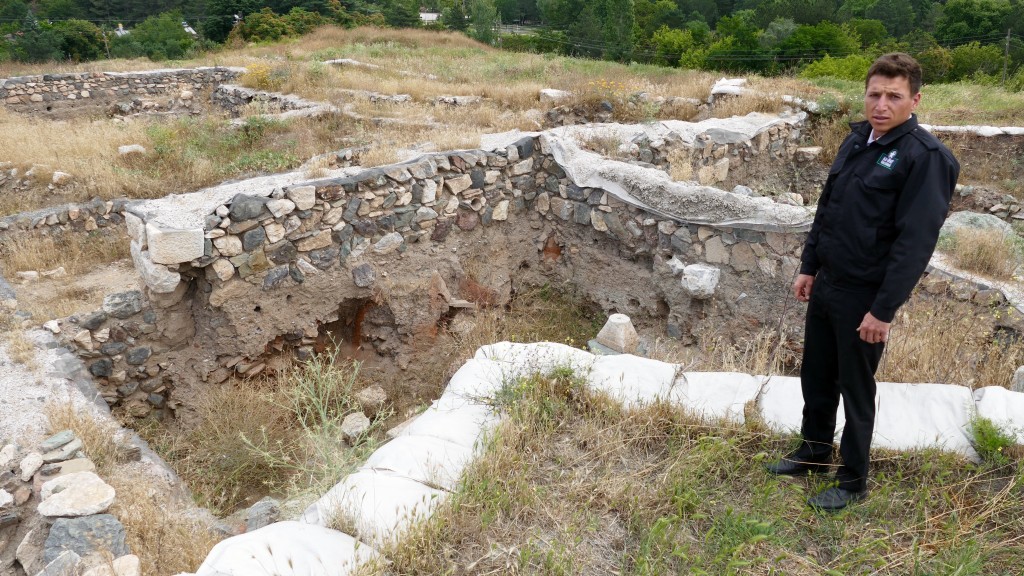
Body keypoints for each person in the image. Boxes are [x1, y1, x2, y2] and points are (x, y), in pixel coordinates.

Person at [765, 53, 960, 511]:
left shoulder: (925, 158)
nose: (881, 104)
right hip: (830, 282)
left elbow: (914, 244)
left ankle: (852, 481)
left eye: (894, 96)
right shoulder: (857, 141)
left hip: (865, 296)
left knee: (855, 387)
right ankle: (813, 452)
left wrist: (883, 310)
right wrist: (809, 265)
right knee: (816, 373)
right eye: (875, 94)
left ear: (915, 99)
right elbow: (827, 208)